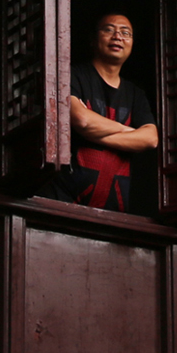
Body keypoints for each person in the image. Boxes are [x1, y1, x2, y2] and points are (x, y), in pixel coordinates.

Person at [64, 11, 157, 211]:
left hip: (114, 208)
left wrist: (91, 135)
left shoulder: (135, 94)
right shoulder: (72, 75)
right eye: (109, 30)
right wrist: (130, 133)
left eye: (126, 33)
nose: (118, 37)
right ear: (93, 39)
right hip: (64, 199)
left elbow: (150, 139)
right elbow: (82, 121)